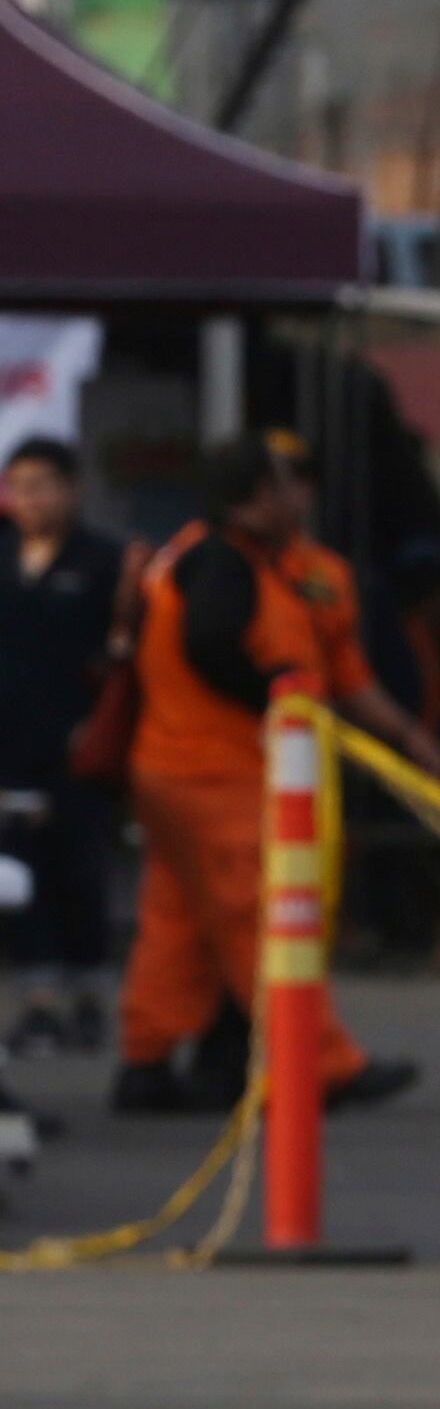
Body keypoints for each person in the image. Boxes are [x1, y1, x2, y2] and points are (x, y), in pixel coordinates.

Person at [115, 429, 440, 1114]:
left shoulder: (247, 562)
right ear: (259, 496)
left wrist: (404, 733)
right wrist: (272, 694)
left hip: (177, 770)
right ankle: (321, 1062)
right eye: (283, 482)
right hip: (214, 775)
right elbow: (212, 642)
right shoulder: (222, 564)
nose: (296, 495)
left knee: (176, 919)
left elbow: (343, 675)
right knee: (264, 917)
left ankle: (145, 1060)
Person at [0, 436, 127, 1062]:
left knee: (78, 869)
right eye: (18, 486)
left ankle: (88, 994)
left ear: (72, 490)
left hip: (79, 748)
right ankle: (39, 998)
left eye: (42, 485)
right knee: (17, 869)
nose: (29, 500)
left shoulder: (105, 562)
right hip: (8, 747)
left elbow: (125, 660)